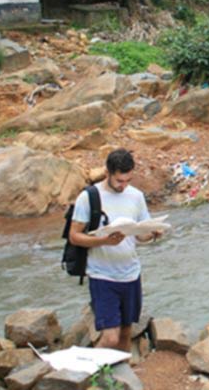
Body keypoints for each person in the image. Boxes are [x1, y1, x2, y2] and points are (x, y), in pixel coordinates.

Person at [68, 149, 163, 352]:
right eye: (119, 181)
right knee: (111, 337)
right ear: (107, 173)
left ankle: (122, 370)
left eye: (128, 180)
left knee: (127, 332)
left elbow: (140, 235)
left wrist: (152, 233)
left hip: (131, 273)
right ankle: (91, 369)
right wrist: (104, 241)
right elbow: (74, 236)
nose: (123, 185)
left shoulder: (136, 196)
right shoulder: (88, 197)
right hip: (102, 275)